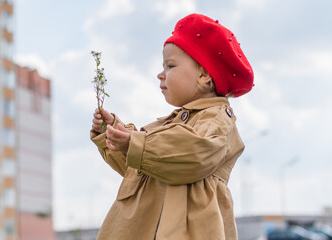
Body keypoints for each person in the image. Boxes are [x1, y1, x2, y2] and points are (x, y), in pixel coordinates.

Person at [91, 13, 254, 240]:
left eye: (170, 66)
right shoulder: (168, 124)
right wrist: (114, 136)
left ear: (204, 75)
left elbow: (193, 152)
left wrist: (134, 143)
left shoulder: (216, 119)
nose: (160, 74)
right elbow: (140, 169)